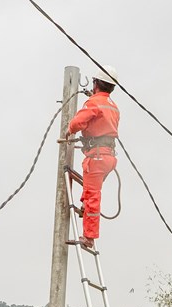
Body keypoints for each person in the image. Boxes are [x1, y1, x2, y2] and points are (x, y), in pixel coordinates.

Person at [66, 65, 120, 249]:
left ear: (96, 83)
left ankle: (89, 236)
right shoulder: (112, 106)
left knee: (92, 196)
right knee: (91, 192)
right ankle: (85, 210)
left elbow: (77, 123)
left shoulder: (93, 103)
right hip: (108, 158)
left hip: (96, 158)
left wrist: (69, 130)